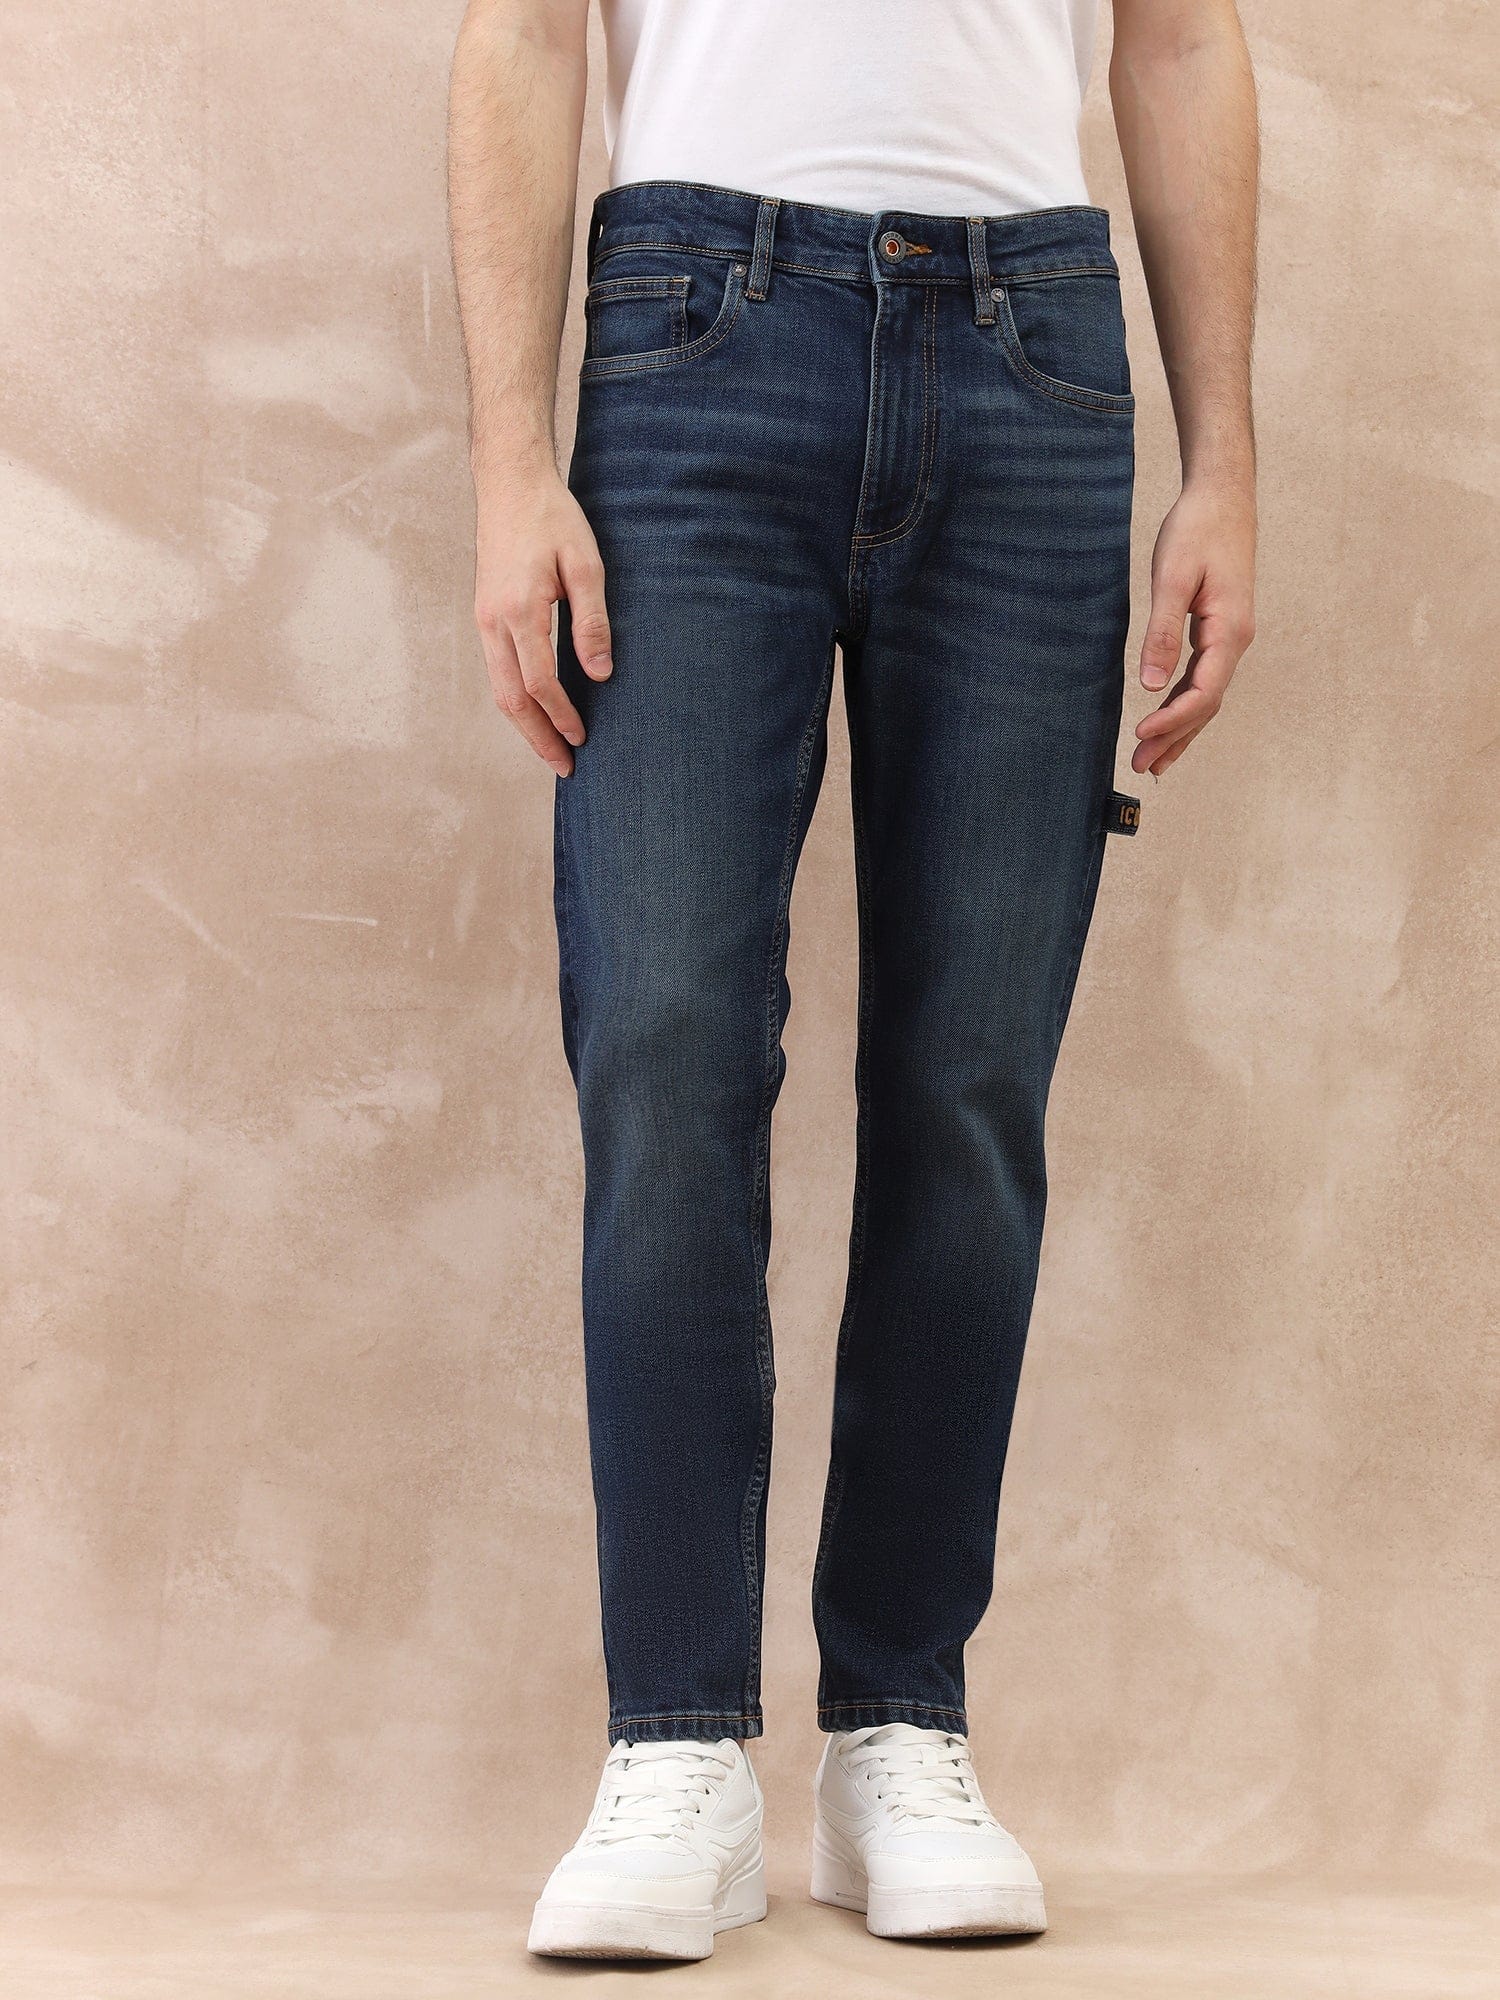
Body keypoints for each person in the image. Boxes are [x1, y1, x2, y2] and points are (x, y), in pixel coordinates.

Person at [449, 0, 1257, 1962]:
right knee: (664, 1045)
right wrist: (509, 462)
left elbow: (1178, 41)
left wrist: (1227, 457)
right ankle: (676, 1744)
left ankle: (899, 1721)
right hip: (690, 336)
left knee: (971, 1083)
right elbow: (523, 32)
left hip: (1034, 351)